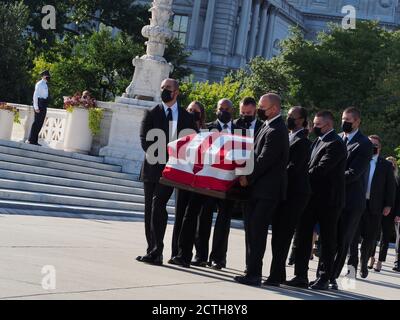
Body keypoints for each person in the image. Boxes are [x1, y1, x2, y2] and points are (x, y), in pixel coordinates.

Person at [136, 78, 196, 265]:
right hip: (153, 169)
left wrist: (175, 161)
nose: (164, 90)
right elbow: (146, 142)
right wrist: (166, 156)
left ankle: (157, 250)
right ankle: (153, 249)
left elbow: (192, 144)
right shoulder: (151, 113)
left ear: (176, 92)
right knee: (151, 209)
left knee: (158, 205)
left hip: (173, 171)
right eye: (162, 87)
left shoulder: (187, 117)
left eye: (168, 88)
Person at [171, 99, 237, 269]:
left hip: (228, 182)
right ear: (216, 110)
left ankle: (218, 258)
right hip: (205, 180)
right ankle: (190, 255)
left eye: (227, 108)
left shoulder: (240, 131)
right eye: (220, 108)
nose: (223, 111)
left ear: (232, 110)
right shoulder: (206, 128)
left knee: (223, 221)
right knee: (197, 216)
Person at [287, 111, 347, 290]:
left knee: (327, 240)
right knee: (303, 236)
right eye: (313, 124)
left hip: (328, 200)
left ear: (328, 125)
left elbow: (321, 170)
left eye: (317, 125)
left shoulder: (335, 143)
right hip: (311, 197)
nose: (313, 127)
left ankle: (324, 277)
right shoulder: (317, 141)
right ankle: (300, 275)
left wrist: (299, 175)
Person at [234, 93, 289, 287]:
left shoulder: (277, 129)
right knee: (251, 231)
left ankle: (254, 274)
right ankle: (251, 270)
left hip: (267, 191)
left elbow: (264, 159)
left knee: (257, 232)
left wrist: (246, 176)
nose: (259, 109)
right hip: (258, 189)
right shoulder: (267, 126)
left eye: (262, 107)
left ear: (274, 109)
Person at [266, 106, 311, 287]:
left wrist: (273, 173)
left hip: (295, 194)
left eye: (292, 116)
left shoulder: (303, 141)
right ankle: (279, 273)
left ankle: (276, 276)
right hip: (284, 192)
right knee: (277, 234)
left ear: (301, 120)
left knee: (283, 235)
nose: (288, 118)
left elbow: (293, 168)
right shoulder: (289, 136)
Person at [328, 107, 373, 290]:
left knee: (343, 240)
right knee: (329, 238)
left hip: (352, 201)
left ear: (357, 122)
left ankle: (332, 277)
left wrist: (328, 177)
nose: (344, 122)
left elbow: (353, 173)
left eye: (348, 120)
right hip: (333, 197)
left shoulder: (364, 144)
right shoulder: (338, 138)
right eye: (342, 119)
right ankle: (323, 273)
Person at [347, 135, 396, 278]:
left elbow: (390, 187)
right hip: (356, 203)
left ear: (380, 148)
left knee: (369, 238)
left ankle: (364, 264)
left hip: (375, 206)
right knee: (353, 237)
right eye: (370, 145)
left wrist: (388, 205)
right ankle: (352, 267)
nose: (372, 147)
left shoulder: (385, 165)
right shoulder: (359, 160)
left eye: (375, 145)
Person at [169, 101, 206, 262]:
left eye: (195, 111)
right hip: (181, 178)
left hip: (197, 181)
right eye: (190, 110)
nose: (192, 113)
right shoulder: (181, 130)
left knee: (190, 218)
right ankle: (175, 252)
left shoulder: (206, 132)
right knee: (179, 217)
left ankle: (185, 254)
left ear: (201, 115)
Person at [233, 97, 263, 272]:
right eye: (242, 113)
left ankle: (249, 265)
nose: (245, 116)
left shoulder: (262, 127)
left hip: (254, 181)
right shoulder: (235, 125)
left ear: (255, 111)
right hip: (235, 179)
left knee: (252, 226)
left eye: (249, 113)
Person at [368, 156, 399, 272]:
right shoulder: (378, 176)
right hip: (376, 209)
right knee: (373, 235)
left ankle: (380, 261)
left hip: (390, 212)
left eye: (392, 165)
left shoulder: (397, 180)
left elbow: (398, 199)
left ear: (395, 166)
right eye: (388, 164)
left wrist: (397, 214)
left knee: (385, 238)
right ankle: (371, 257)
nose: (390, 166)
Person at [28, 70, 51, 146]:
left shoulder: (45, 84)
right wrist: (36, 106)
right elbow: (35, 95)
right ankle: (31, 139)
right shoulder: (39, 84)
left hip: (44, 104)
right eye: (47, 76)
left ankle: (35, 140)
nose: (48, 77)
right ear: (44, 76)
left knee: (40, 123)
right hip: (39, 103)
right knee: (36, 122)